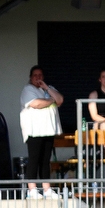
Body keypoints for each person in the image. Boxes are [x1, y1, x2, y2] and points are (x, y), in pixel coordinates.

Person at [19, 65, 63, 200]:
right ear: (30, 77)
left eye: (40, 75)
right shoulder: (27, 89)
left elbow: (60, 100)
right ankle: (31, 189)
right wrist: (51, 100)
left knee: (45, 161)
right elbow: (36, 104)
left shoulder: (48, 88)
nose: (38, 78)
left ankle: (47, 189)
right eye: (35, 75)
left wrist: (47, 89)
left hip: (48, 130)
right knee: (34, 160)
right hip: (34, 131)